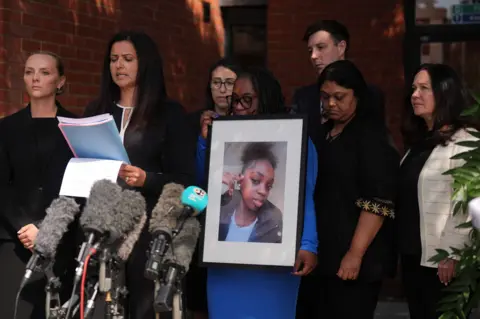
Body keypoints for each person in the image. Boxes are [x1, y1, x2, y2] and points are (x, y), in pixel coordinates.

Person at [83, 30, 196, 319]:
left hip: (147, 231)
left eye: (127, 59)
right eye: (113, 59)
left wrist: (148, 179)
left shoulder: (169, 114)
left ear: (144, 64)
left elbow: (186, 178)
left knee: (142, 308)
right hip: (101, 227)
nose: (118, 66)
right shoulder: (95, 111)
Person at [196, 66, 318, 319]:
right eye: (235, 100)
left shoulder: (298, 139)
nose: (239, 106)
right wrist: (205, 142)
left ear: (266, 97)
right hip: (223, 266)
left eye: (247, 99)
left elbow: (304, 196)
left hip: (275, 265)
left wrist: (307, 243)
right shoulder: (221, 136)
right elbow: (202, 184)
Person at [297, 60, 399, 319]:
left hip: (355, 262)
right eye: (325, 97)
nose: (331, 104)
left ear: (358, 97)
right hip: (322, 258)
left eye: (339, 97)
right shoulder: (322, 134)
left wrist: (354, 255)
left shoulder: (371, 138)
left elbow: (378, 202)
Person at [396, 63, 479, 319]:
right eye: (413, 88)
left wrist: (452, 252)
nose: (414, 95)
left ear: (444, 93)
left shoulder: (467, 139)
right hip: (414, 256)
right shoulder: (420, 142)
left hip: (443, 262)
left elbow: (469, 200)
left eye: (423, 88)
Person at [0, 51, 77, 318]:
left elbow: (79, 187)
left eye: (45, 72)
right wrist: (25, 228)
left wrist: (46, 229)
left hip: (61, 242)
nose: (35, 78)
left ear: (60, 81)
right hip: (15, 242)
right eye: (29, 71)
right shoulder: (5, 128)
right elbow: (2, 186)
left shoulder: (76, 127)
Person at [185, 58, 241, 319]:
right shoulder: (199, 122)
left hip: (238, 216)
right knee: (200, 298)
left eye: (229, 82)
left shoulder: (252, 121)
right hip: (205, 217)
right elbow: (196, 177)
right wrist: (203, 139)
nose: (223, 89)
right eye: (216, 83)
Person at [292, 19, 385, 145]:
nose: (313, 56)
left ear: (341, 47)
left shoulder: (370, 94)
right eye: (310, 51)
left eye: (320, 47)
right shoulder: (303, 97)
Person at [219, 142, 283, 243]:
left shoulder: (273, 225)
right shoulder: (220, 205)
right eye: (256, 180)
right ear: (240, 179)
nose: (263, 191)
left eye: (269, 186)